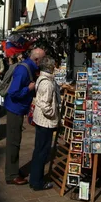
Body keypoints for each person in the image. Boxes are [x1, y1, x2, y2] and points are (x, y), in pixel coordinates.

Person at [4, 47, 46, 185]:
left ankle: (14, 169)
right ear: (36, 59)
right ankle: (11, 174)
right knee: (13, 141)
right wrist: (28, 89)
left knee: (16, 140)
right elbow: (13, 92)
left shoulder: (29, 67)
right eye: (42, 59)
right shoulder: (23, 70)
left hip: (18, 109)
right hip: (14, 109)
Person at [29, 56, 60, 191]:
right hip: (45, 121)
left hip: (41, 120)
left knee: (39, 150)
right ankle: (37, 181)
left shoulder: (43, 79)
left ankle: (35, 179)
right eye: (53, 65)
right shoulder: (47, 82)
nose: (55, 67)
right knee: (42, 151)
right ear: (50, 67)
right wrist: (52, 113)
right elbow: (43, 102)